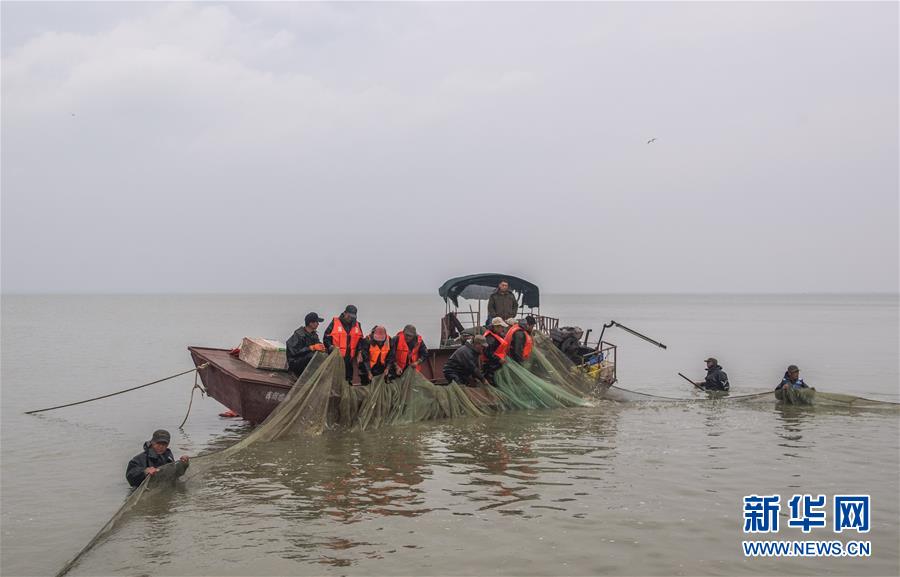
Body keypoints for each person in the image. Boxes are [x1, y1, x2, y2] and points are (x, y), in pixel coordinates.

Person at [323, 305, 364, 383]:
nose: (351, 318)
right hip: (336, 358)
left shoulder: (358, 325)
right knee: (335, 379)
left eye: (353, 316)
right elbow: (326, 337)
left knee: (348, 379)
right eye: (349, 316)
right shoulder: (335, 322)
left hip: (350, 359)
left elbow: (361, 341)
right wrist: (330, 347)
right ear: (345, 313)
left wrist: (360, 352)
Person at [286, 312, 326, 377]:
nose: (318, 324)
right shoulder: (299, 334)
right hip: (295, 363)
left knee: (322, 356)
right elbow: (294, 352)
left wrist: (323, 348)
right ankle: (297, 374)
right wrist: (311, 348)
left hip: (306, 362)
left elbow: (318, 344)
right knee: (311, 356)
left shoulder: (314, 335)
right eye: (316, 322)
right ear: (310, 323)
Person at [482, 317, 510, 384]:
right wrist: (498, 359)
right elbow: (487, 352)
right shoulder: (490, 338)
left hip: (495, 364)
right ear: (496, 327)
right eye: (501, 327)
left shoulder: (496, 334)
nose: (503, 329)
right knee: (492, 382)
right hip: (490, 366)